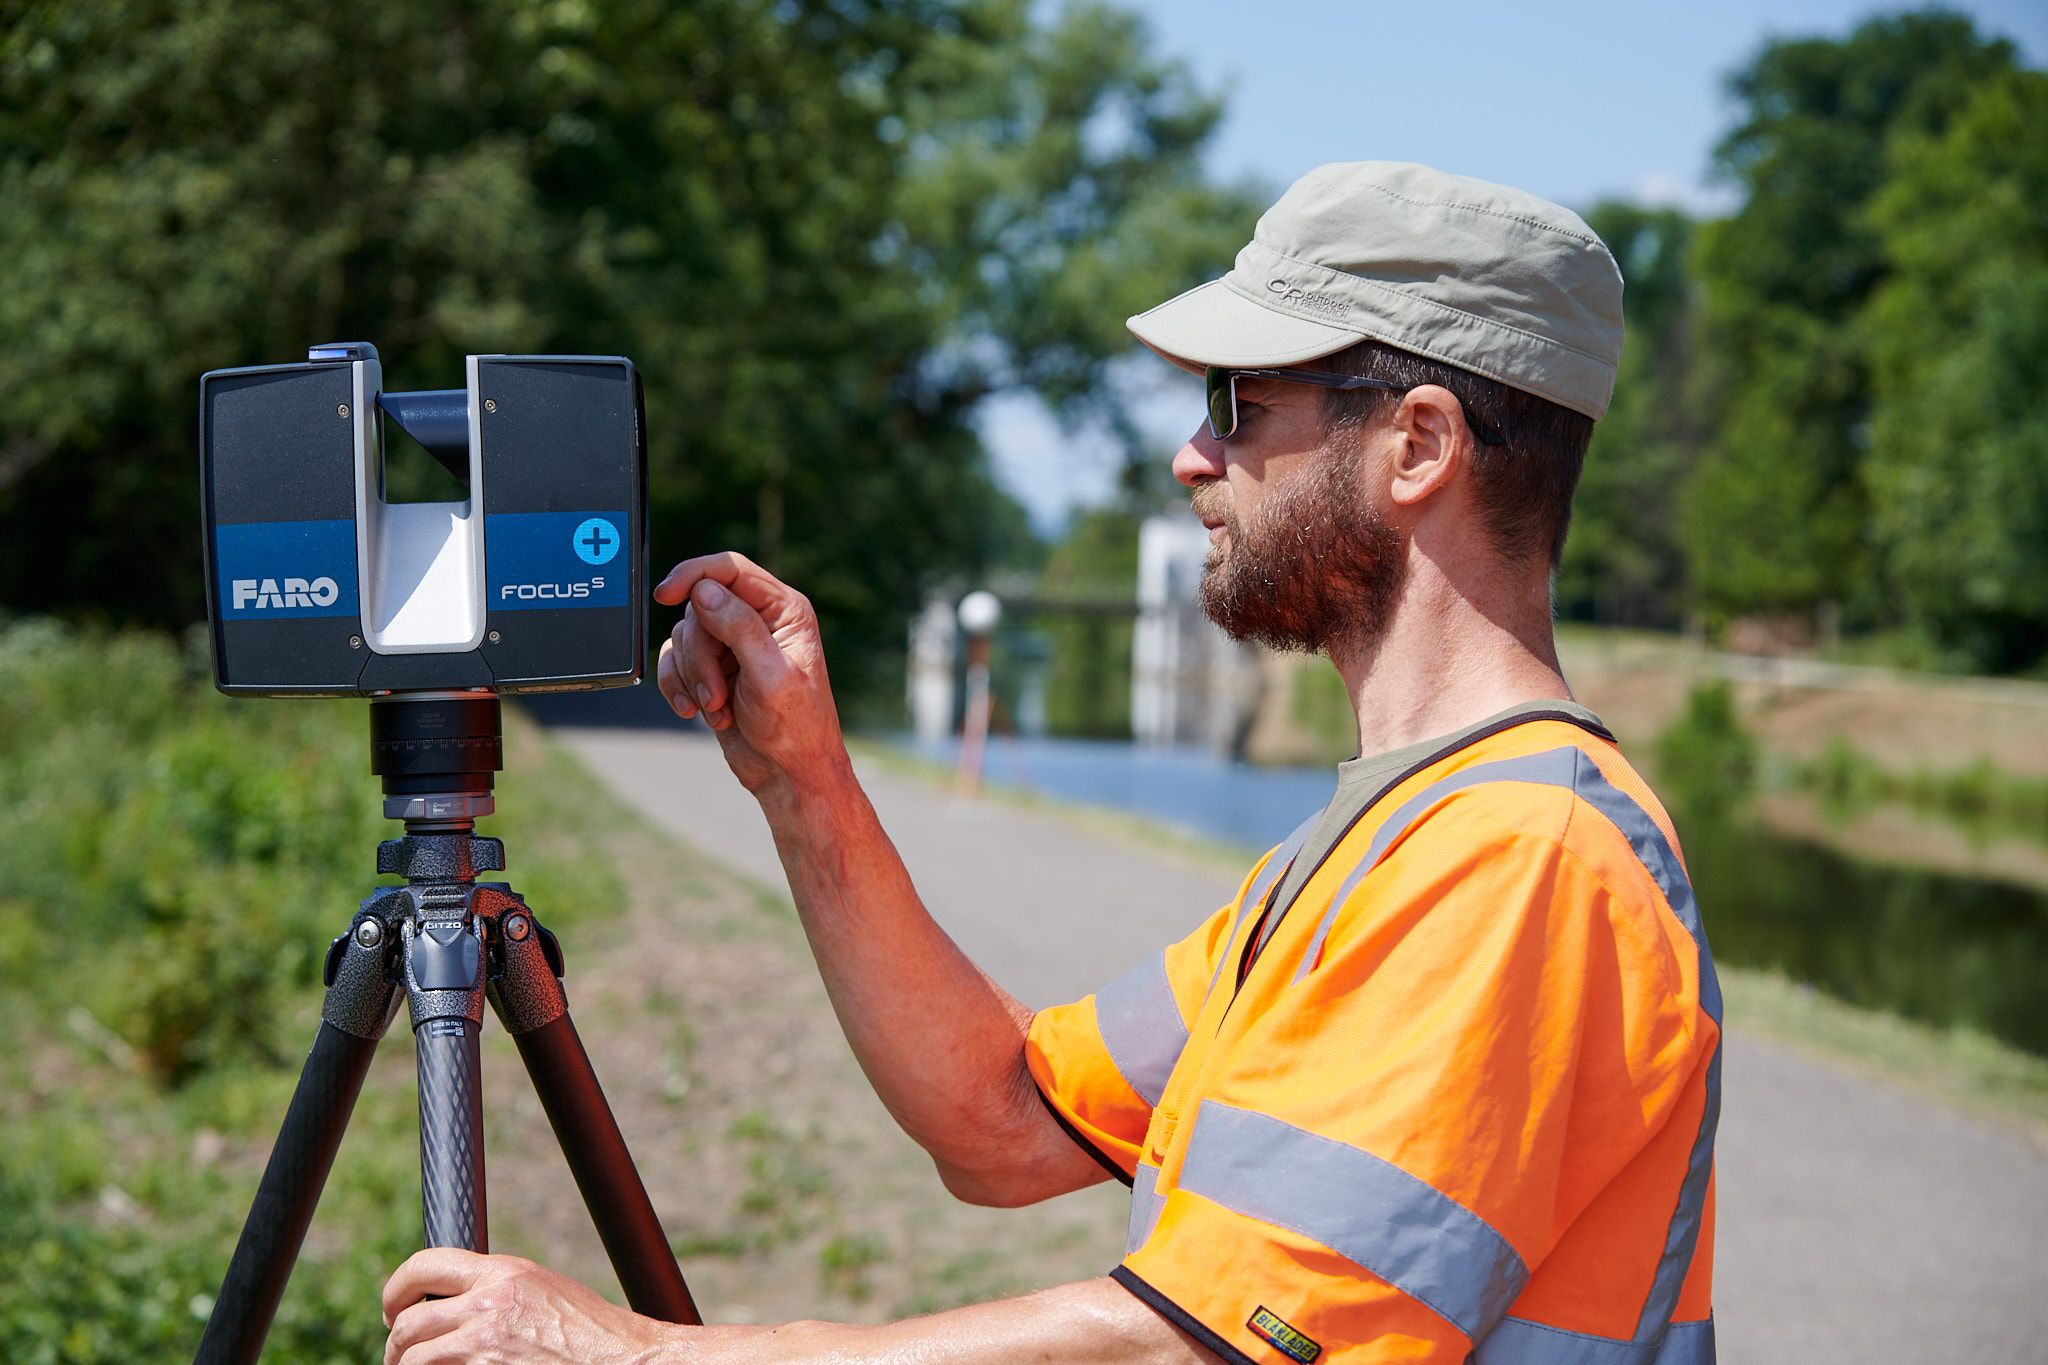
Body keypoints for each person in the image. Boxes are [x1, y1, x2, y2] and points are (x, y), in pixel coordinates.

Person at [381, 161, 1720, 1364]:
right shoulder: (1388, 840)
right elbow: (1005, 1118)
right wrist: (803, 779)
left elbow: (1191, 1351)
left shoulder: (1524, 860)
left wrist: (642, 1358)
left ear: (1418, 445)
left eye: (1241, 402)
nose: (1192, 455)